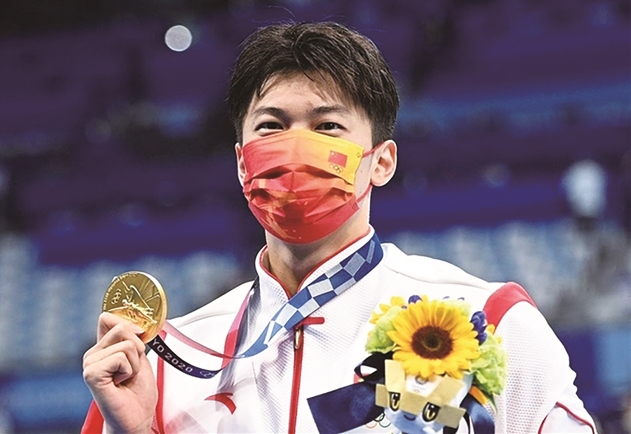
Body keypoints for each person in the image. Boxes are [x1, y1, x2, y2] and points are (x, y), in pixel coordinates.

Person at [81, 21, 597, 434]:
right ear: (242, 163)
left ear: (381, 162)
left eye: (327, 126)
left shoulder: (487, 322)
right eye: (271, 126)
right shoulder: (169, 360)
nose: (295, 147)